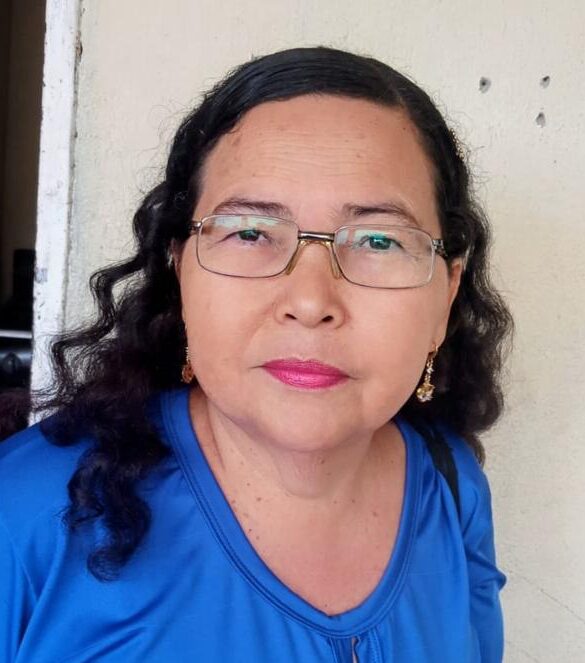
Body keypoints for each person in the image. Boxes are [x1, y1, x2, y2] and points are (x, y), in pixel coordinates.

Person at [0, 46, 513, 662]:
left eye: (379, 240)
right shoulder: (22, 515)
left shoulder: (452, 488)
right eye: (250, 232)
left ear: (445, 297)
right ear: (180, 270)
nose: (310, 301)